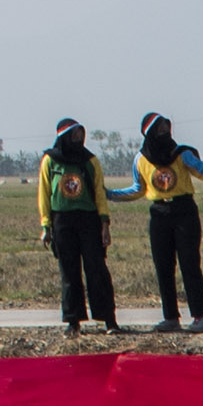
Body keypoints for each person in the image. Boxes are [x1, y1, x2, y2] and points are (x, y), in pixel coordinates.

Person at [114, 114, 203, 331]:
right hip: (159, 214)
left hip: (184, 211)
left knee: (190, 264)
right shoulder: (141, 160)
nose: (165, 133)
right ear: (149, 133)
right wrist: (108, 194)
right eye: (159, 130)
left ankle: (199, 317)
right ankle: (170, 318)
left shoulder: (182, 154)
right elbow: (137, 189)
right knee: (163, 267)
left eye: (167, 128)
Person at [37, 120, 122, 334]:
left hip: (89, 220)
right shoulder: (50, 160)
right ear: (63, 136)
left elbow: (99, 193)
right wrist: (46, 226)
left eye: (80, 134)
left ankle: (109, 319)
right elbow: (44, 194)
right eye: (73, 135)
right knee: (69, 271)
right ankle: (73, 321)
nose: (77, 138)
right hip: (62, 221)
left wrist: (104, 223)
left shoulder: (90, 161)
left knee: (97, 269)